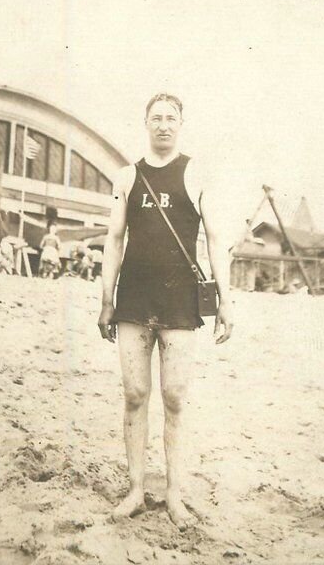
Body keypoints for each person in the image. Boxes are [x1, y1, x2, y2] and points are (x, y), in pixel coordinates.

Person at [98, 92, 233, 530]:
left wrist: (226, 301)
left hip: (179, 300)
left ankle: (175, 494)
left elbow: (215, 239)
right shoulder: (126, 176)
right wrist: (106, 299)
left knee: (175, 397)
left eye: (170, 118)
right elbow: (114, 240)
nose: (163, 125)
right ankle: (136, 490)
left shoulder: (196, 174)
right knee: (135, 395)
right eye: (155, 118)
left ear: (181, 124)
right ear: (145, 123)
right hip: (134, 299)